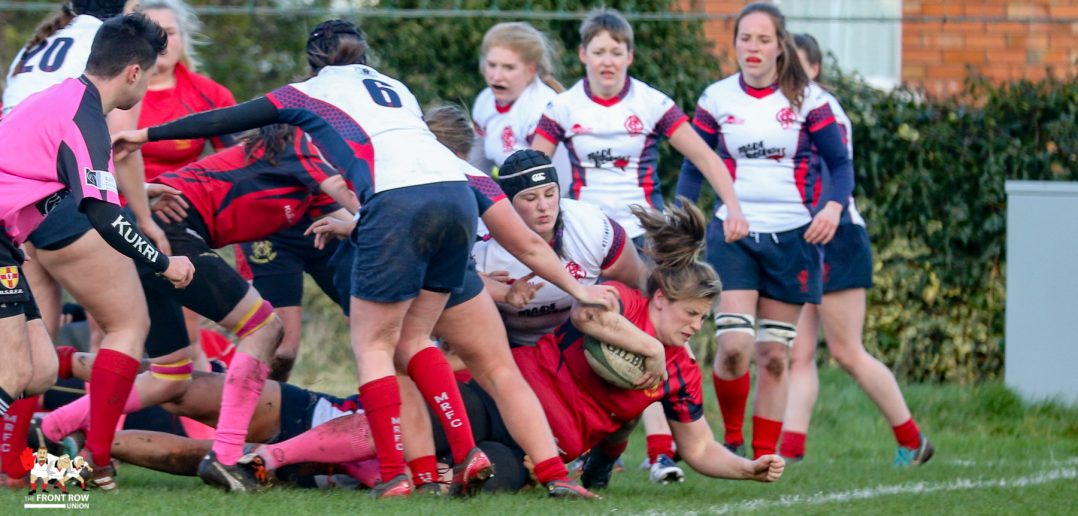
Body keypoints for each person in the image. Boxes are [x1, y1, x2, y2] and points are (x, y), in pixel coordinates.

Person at [113, 20, 612, 497]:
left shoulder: (310, 91)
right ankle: (518, 465)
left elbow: (234, 118)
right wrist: (579, 289)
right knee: (447, 351)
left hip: (395, 210)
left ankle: (397, 475)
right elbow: (526, 242)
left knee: (376, 346)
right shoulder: (400, 96)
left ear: (314, 62)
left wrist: (146, 135)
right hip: (455, 201)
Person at [241, 201, 786, 491]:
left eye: (703, 319)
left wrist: (747, 468)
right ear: (661, 298)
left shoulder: (683, 375)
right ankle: (270, 457)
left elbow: (699, 448)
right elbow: (585, 315)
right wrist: (650, 351)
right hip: (503, 397)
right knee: (415, 425)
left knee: (479, 484)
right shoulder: (621, 299)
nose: (695, 327)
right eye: (691, 314)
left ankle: (317, 475)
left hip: (539, 448)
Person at [309, 104, 613, 498]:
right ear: (462, 150)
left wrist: (354, 222)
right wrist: (578, 290)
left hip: (390, 268)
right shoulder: (466, 174)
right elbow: (526, 245)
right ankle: (554, 474)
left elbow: (349, 192)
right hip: (450, 278)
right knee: (499, 371)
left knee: (397, 363)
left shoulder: (388, 163)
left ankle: (416, 477)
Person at [32, 123, 358, 478]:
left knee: (170, 376)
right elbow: (350, 198)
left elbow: (352, 217)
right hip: (168, 232)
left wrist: (362, 224)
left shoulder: (310, 176)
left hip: (148, 234)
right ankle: (226, 457)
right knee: (265, 328)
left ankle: (50, 427)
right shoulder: (301, 142)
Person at [0, 13, 195, 492]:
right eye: (149, 76)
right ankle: (88, 462)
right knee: (15, 370)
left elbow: (65, 177)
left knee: (40, 369)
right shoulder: (83, 117)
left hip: (11, 245)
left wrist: (136, 193)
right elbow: (105, 216)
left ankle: (41, 466)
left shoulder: (70, 98)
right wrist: (164, 263)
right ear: (133, 72)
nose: (146, 88)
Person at [673, 2, 855, 460]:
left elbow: (840, 165)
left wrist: (832, 208)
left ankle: (764, 459)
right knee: (735, 346)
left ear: (780, 46)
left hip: (795, 238)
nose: (752, 47)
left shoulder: (808, 100)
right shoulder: (716, 98)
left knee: (774, 356)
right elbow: (694, 166)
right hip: (733, 236)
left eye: (763, 39)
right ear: (734, 44)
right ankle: (731, 441)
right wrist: (683, 222)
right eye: (745, 38)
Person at [778, 33, 933, 466]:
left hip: (837, 236)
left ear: (814, 69)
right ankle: (790, 452)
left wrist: (821, 214)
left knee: (846, 351)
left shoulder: (823, 108)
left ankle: (912, 440)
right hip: (797, 238)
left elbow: (836, 172)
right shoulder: (773, 112)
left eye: (797, 65)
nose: (787, 72)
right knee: (797, 354)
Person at [531, 8, 747, 248]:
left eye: (616, 53)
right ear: (583, 54)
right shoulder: (561, 107)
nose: (607, 62)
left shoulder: (653, 103)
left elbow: (704, 156)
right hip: (584, 231)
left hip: (644, 233)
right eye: (599, 52)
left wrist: (734, 209)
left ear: (629, 57)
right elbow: (532, 170)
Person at [472, 149, 647, 347]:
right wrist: (481, 288)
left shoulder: (590, 224)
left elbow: (640, 289)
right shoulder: (479, 244)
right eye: (530, 198)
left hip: (581, 339)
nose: (543, 206)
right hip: (511, 345)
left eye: (549, 194)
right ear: (508, 204)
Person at [136, 0, 237, 181]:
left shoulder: (211, 94)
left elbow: (235, 162)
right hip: (116, 195)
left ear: (183, 38)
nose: (160, 41)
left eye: (169, 32)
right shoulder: (112, 90)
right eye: (150, 33)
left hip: (182, 194)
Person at [471, 22, 569, 190]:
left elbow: (537, 182)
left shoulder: (542, 107)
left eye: (508, 68)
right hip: (513, 194)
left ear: (531, 70)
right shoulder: (484, 101)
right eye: (492, 65)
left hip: (550, 197)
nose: (496, 76)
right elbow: (476, 165)